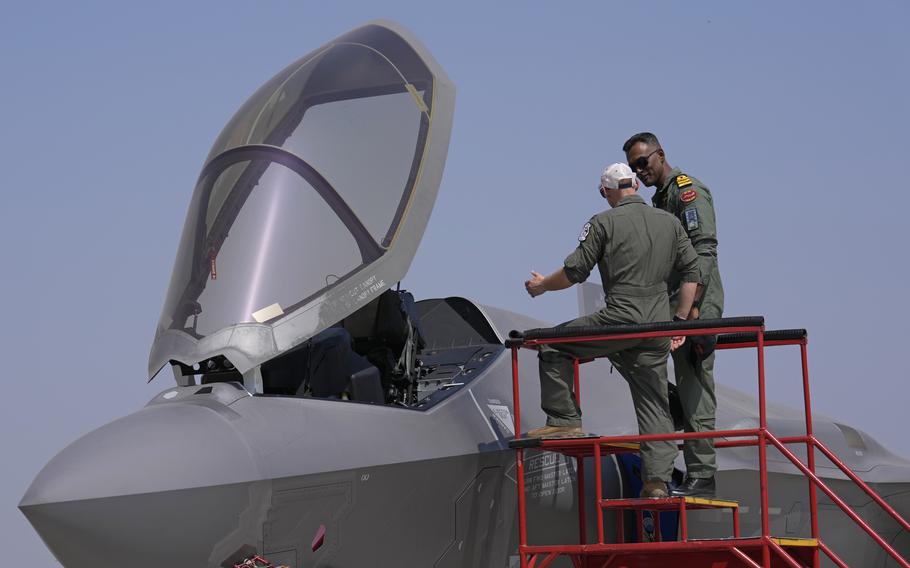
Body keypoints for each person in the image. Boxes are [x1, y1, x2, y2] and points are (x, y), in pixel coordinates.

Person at [524, 163, 699, 498]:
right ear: (634, 184)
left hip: (619, 319)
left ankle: (564, 421)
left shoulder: (603, 222)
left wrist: (543, 285)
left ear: (607, 191)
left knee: (552, 345)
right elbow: (692, 270)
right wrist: (679, 321)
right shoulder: (670, 222)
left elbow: (574, 271)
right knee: (653, 399)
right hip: (657, 326)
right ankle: (657, 482)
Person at [624, 132, 724, 498]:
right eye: (634, 167)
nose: (640, 170)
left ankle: (703, 475)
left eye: (643, 162)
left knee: (694, 380)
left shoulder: (686, 193)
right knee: (632, 353)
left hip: (696, 302)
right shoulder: (661, 199)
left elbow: (704, 251)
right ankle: (677, 409)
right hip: (670, 303)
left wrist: (693, 309)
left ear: (660, 155)